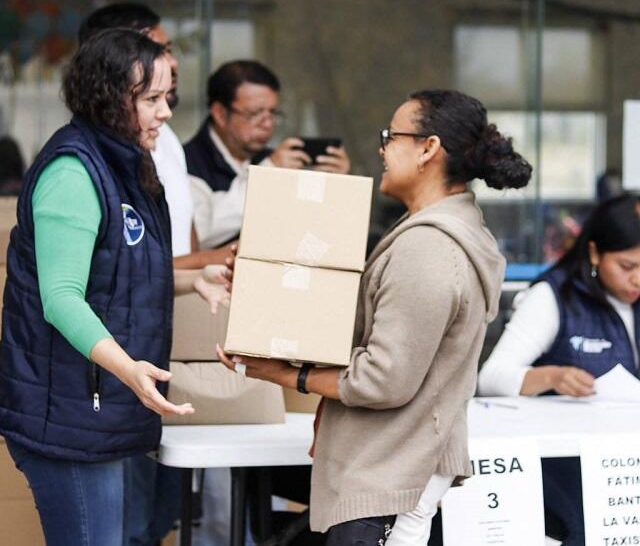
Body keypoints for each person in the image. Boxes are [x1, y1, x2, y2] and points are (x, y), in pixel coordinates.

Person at [219, 89, 532, 545]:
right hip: (390, 469)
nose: (382, 148)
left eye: (392, 135)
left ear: (428, 148)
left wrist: (287, 373)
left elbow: (382, 378)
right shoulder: (441, 235)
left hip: (389, 476)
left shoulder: (430, 249)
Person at [0, 29, 229, 546]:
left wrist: (189, 281)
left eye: (168, 98)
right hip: (70, 417)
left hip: (99, 410)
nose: (165, 113)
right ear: (110, 98)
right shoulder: (74, 172)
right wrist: (129, 371)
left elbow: (121, 275)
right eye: (151, 99)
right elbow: (62, 298)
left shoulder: (125, 163)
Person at [479, 194, 640, 546]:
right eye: (627, 267)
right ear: (595, 253)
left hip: (628, 471)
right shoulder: (555, 297)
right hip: (567, 477)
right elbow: (490, 378)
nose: (638, 279)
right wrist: (550, 377)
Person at [80, 3, 232, 269]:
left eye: (169, 51)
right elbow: (121, 274)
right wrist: (218, 258)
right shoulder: (88, 162)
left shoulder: (165, 136)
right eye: (156, 52)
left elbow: (186, 228)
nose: (171, 63)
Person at [184, 60, 351, 249]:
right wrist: (268, 174)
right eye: (255, 113)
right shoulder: (184, 163)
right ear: (220, 114)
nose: (267, 123)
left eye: (272, 112)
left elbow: (309, 227)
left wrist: (336, 185)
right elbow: (202, 233)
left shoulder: (274, 159)